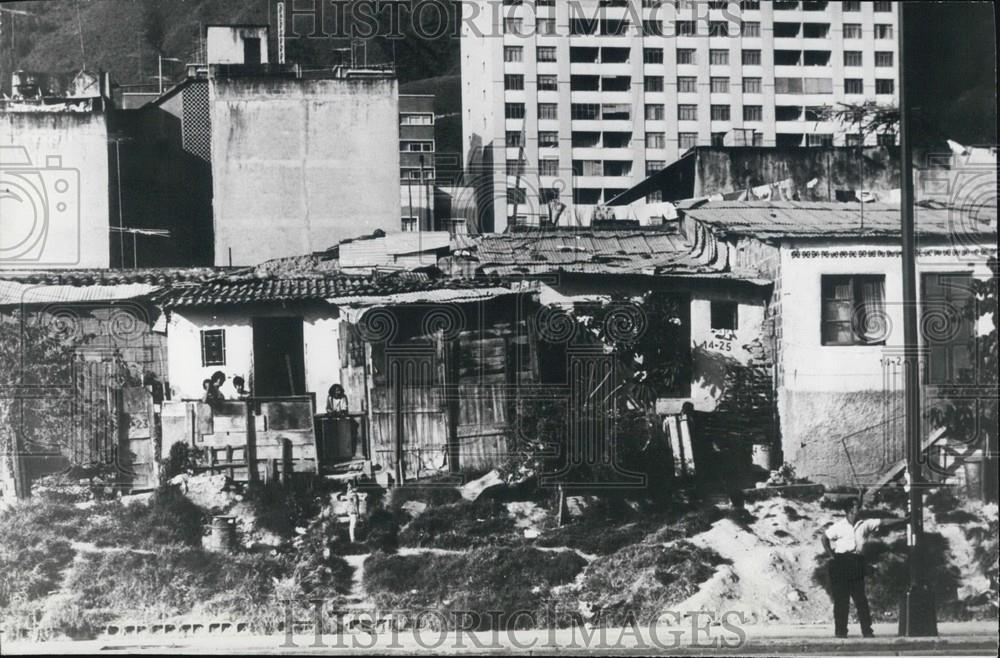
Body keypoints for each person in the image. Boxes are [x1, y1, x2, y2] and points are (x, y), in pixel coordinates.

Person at [821, 497, 906, 638]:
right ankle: (841, 632)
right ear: (849, 510)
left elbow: (883, 522)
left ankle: (867, 631)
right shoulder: (839, 526)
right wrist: (831, 556)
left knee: (860, 599)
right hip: (841, 562)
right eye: (856, 507)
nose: (858, 509)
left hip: (856, 562)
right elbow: (824, 538)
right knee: (841, 600)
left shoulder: (864, 524)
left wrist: (903, 520)